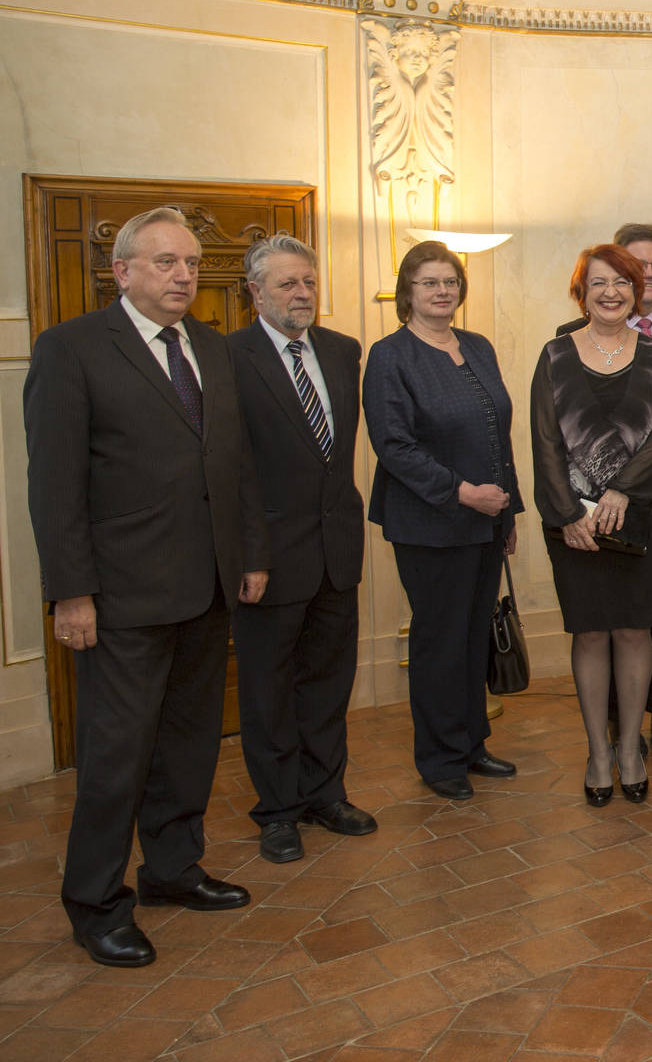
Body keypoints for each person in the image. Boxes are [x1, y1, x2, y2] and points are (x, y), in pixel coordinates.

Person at [24, 205, 268, 968]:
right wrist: (71, 593)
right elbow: (55, 484)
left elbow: (235, 465)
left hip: (207, 589)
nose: (183, 276)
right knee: (116, 756)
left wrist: (251, 554)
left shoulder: (211, 349)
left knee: (191, 745)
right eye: (165, 262)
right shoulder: (72, 350)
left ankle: (171, 870)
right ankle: (96, 902)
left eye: (192, 263)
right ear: (121, 271)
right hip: (120, 598)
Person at [229, 236, 377, 864]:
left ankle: (325, 794)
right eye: (287, 284)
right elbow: (228, 469)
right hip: (268, 559)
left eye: (309, 282)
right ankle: (279, 810)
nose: (302, 294)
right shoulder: (227, 356)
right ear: (256, 293)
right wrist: (248, 554)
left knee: (326, 683)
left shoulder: (344, 352)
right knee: (268, 692)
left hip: (335, 549)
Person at [364, 240, 524, 801]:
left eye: (450, 282)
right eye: (429, 282)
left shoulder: (477, 346)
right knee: (440, 640)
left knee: (474, 636)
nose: (441, 292)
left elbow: (497, 435)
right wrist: (462, 493)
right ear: (407, 291)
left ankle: (471, 743)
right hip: (430, 524)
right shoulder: (390, 355)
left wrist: (507, 514)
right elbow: (394, 446)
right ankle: (439, 759)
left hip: (486, 522)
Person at [533, 245, 652, 806]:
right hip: (573, 524)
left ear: (636, 289)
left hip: (640, 513)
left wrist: (621, 490)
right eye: (599, 283)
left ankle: (629, 751)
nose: (611, 292)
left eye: (622, 282)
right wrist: (570, 513)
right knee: (591, 632)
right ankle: (598, 752)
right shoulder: (554, 354)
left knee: (634, 630)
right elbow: (543, 441)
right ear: (582, 291)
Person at [556, 223, 652, 756]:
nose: (646, 274)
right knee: (603, 621)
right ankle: (614, 723)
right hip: (589, 506)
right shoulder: (567, 337)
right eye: (636, 265)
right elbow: (561, 431)